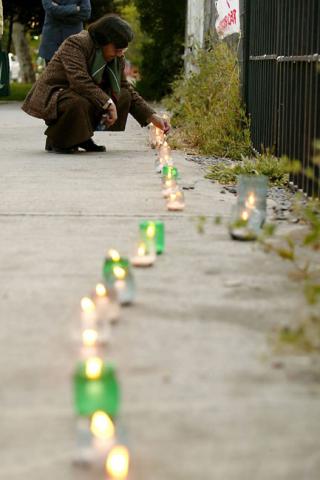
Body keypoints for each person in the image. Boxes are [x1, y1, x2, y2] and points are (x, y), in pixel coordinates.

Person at [22, 14, 170, 154]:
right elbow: (79, 81)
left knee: (123, 95)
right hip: (57, 93)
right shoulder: (76, 43)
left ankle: (81, 137)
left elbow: (125, 88)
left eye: (122, 50)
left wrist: (152, 117)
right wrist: (108, 103)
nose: (120, 54)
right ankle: (58, 139)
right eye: (116, 49)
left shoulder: (117, 57)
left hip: (84, 93)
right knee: (78, 102)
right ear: (102, 41)